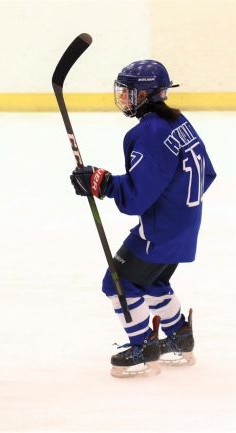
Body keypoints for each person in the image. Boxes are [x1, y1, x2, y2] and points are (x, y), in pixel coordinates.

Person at [70, 60, 216, 378]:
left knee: (118, 282)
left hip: (160, 229)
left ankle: (142, 348)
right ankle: (179, 337)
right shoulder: (178, 122)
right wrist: (176, 203)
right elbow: (208, 173)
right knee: (152, 281)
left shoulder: (148, 132)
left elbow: (135, 198)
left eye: (128, 93)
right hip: (185, 222)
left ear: (146, 94)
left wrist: (101, 182)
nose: (123, 99)